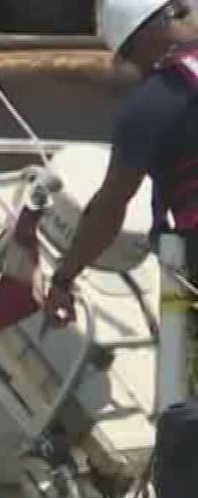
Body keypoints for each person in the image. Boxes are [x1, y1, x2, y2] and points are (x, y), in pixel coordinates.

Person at [44, 0, 198, 325]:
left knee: (185, 367)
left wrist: (63, 278)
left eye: (127, 55)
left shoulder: (153, 103)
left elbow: (110, 207)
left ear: (141, 37)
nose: (134, 68)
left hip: (191, 251)